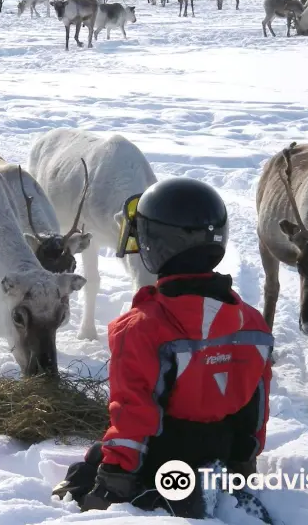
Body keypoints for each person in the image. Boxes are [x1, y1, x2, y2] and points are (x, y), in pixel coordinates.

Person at [51, 177, 274, 519]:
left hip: (165, 457)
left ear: (157, 243)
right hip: (222, 452)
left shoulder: (141, 328)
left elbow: (133, 414)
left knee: (87, 470)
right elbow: (256, 410)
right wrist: (243, 465)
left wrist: (111, 486)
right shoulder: (254, 324)